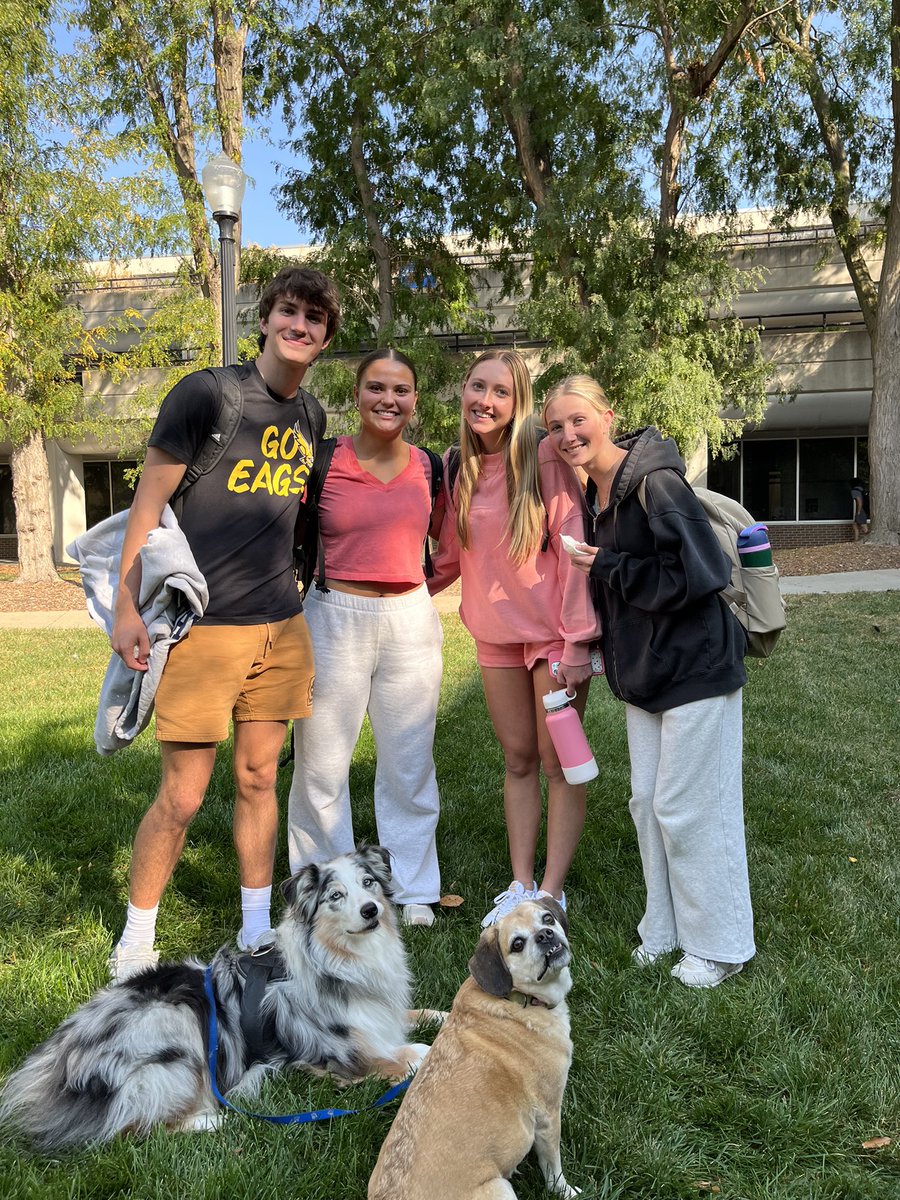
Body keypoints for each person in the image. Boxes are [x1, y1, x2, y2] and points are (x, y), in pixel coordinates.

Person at [107, 266, 340, 979]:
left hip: (282, 626)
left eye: (315, 321)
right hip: (206, 629)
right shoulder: (207, 394)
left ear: (325, 338)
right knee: (182, 794)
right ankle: (137, 938)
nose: (300, 328)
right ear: (265, 318)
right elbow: (147, 508)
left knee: (260, 778)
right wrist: (124, 605)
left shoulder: (312, 417)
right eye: (290, 314)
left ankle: (255, 930)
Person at [543, 375, 754, 989]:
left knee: (691, 809)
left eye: (577, 420)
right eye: (556, 427)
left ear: (607, 415)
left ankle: (721, 943)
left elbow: (702, 571)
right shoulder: (600, 493)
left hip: (695, 667)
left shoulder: (654, 482)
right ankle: (662, 928)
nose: (568, 435)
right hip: (646, 674)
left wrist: (607, 564)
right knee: (647, 806)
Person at [428, 349, 597, 926]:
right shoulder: (457, 466)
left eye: (501, 392)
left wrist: (579, 643)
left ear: (518, 402)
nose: (487, 401)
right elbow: (450, 557)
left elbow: (575, 551)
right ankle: (520, 883)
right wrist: (385, 591)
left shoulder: (545, 455)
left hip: (553, 639)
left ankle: (551, 893)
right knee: (519, 759)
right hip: (495, 638)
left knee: (559, 764)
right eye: (478, 387)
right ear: (464, 391)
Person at [287, 348, 443, 926]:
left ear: (415, 401)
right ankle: (325, 884)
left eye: (401, 390)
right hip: (334, 613)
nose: (388, 400)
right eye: (376, 387)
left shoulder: (430, 466)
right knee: (322, 765)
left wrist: (415, 593)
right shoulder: (324, 461)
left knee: (409, 761)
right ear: (356, 395)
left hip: (409, 617)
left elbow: (446, 548)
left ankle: (413, 885)